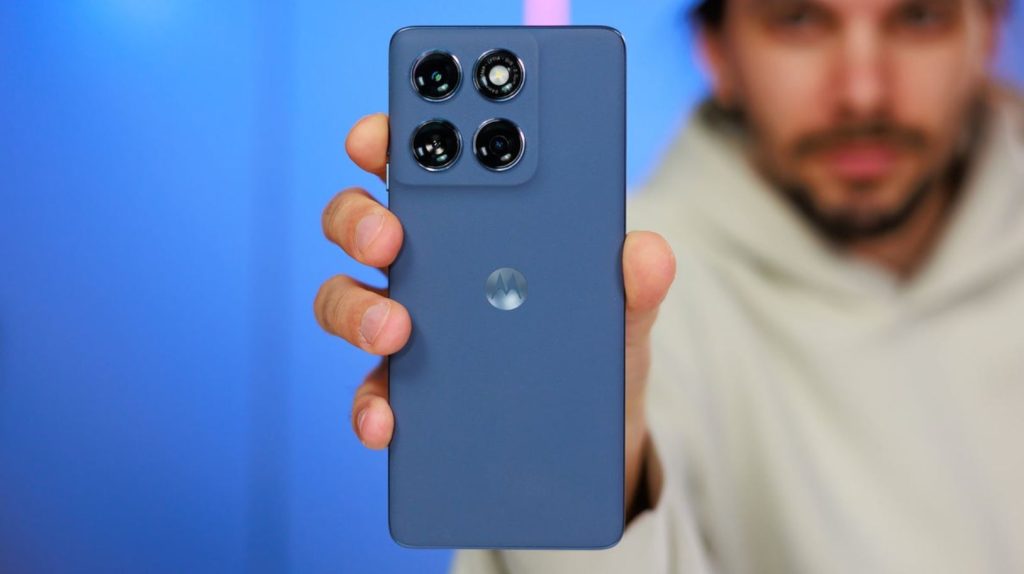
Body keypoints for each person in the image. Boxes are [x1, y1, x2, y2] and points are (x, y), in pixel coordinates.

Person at [315, 0, 1024, 571]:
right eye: (800, 20)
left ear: (988, 32)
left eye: (919, 17)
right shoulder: (623, 284)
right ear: (718, 51)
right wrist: (585, 481)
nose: (864, 91)